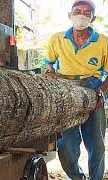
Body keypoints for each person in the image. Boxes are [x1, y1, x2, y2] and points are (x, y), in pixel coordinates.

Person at [44, 0, 108, 179]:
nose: (81, 15)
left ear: (93, 18)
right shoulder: (57, 38)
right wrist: (50, 72)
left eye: (87, 13)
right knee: (66, 146)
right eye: (77, 11)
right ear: (70, 15)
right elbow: (49, 63)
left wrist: (101, 90)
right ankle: (77, 177)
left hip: (93, 87)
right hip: (66, 89)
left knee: (96, 144)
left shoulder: (103, 41)